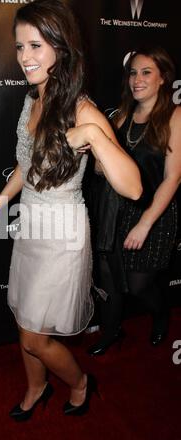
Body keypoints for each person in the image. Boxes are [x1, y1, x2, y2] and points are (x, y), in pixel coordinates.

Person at [0, 0, 142, 420]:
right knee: (24, 322)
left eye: (36, 45)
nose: (25, 58)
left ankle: (82, 383)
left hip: (62, 233)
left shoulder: (81, 108)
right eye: (19, 47)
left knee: (35, 338)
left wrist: (93, 136)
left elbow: (134, 187)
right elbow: (26, 165)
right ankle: (36, 387)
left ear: (61, 48)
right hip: (31, 223)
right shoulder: (33, 98)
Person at [74, 46, 181, 355]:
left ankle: (161, 314)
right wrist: (95, 158)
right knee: (109, 280)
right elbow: (102, 168)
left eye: (146, 72)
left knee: (138, 284)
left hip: (154, 214)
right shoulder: (120, 116)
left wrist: (145, 224)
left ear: (163, 78)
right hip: (115, 213)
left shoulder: (175, 117)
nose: (137, 79)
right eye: (133, 72)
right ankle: (110, 332)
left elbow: (173, 178)